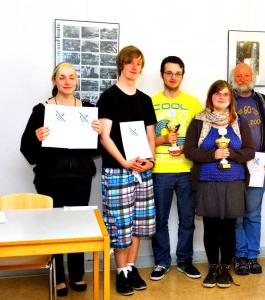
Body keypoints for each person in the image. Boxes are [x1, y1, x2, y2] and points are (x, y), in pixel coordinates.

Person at [20, 62, 102, 297]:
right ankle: (57, 277)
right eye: (62, 77)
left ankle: (76, 274)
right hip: (49, 179)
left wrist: (96, 134)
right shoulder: (41, 110)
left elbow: (95, 151)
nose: (67, 81)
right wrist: (37, 138)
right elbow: (27, 150)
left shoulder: (88, 109)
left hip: (80, 178)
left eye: (72, 77)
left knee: (76, 227)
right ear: (54, 80)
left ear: (77, 81)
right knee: (53, 230)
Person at [96, 45, 157, 296]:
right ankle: (120, 272)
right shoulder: (109, 97)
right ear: (121, 64)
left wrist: (150, 161)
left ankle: (131, 267)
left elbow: (150, 135)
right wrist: (123, 161)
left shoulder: (145, 100)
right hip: (118, 170)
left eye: (139, 63)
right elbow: (105, 137)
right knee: (120, 225)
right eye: (130, 62)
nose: (135, 67)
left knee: (139, 224)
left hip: (142, 171)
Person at [184, 80, 255, 288]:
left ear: (230, 98)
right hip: (207, 181)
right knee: (211, 227)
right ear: (211, 97)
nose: (221, 97)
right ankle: (213, 268)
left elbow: (250, 150)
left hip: (234, 182)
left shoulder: (240, 122)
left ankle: (225, 268)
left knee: (229, 228)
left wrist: (230, 154)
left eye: (225, 94)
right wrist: (212, 155)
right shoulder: (198, 121)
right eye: (217, 94)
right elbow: (189, 150)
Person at [150, 56, 202, 281]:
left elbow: (202, 135)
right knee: (159, 219)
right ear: (162, 74)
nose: (173, 77)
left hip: (186, 169)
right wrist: (162, 139)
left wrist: (185, 147)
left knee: (187, 219)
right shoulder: (149, 102)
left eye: (177, 73)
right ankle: (161, 262)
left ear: (183, 75)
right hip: (159, 169)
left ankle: (184, 260)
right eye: (169, 73)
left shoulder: (193, 103)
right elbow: (143, 137)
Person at [230, 63, 265, 275]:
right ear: (233, 78)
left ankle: (252, 255)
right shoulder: (227, 99)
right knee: (237, 214)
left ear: (253, 78)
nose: (242, 78)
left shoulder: (263, 101)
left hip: (258, 165)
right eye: (238, 75)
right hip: (233, 166)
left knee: (253, 213)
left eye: (246, 75)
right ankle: (239, 256)